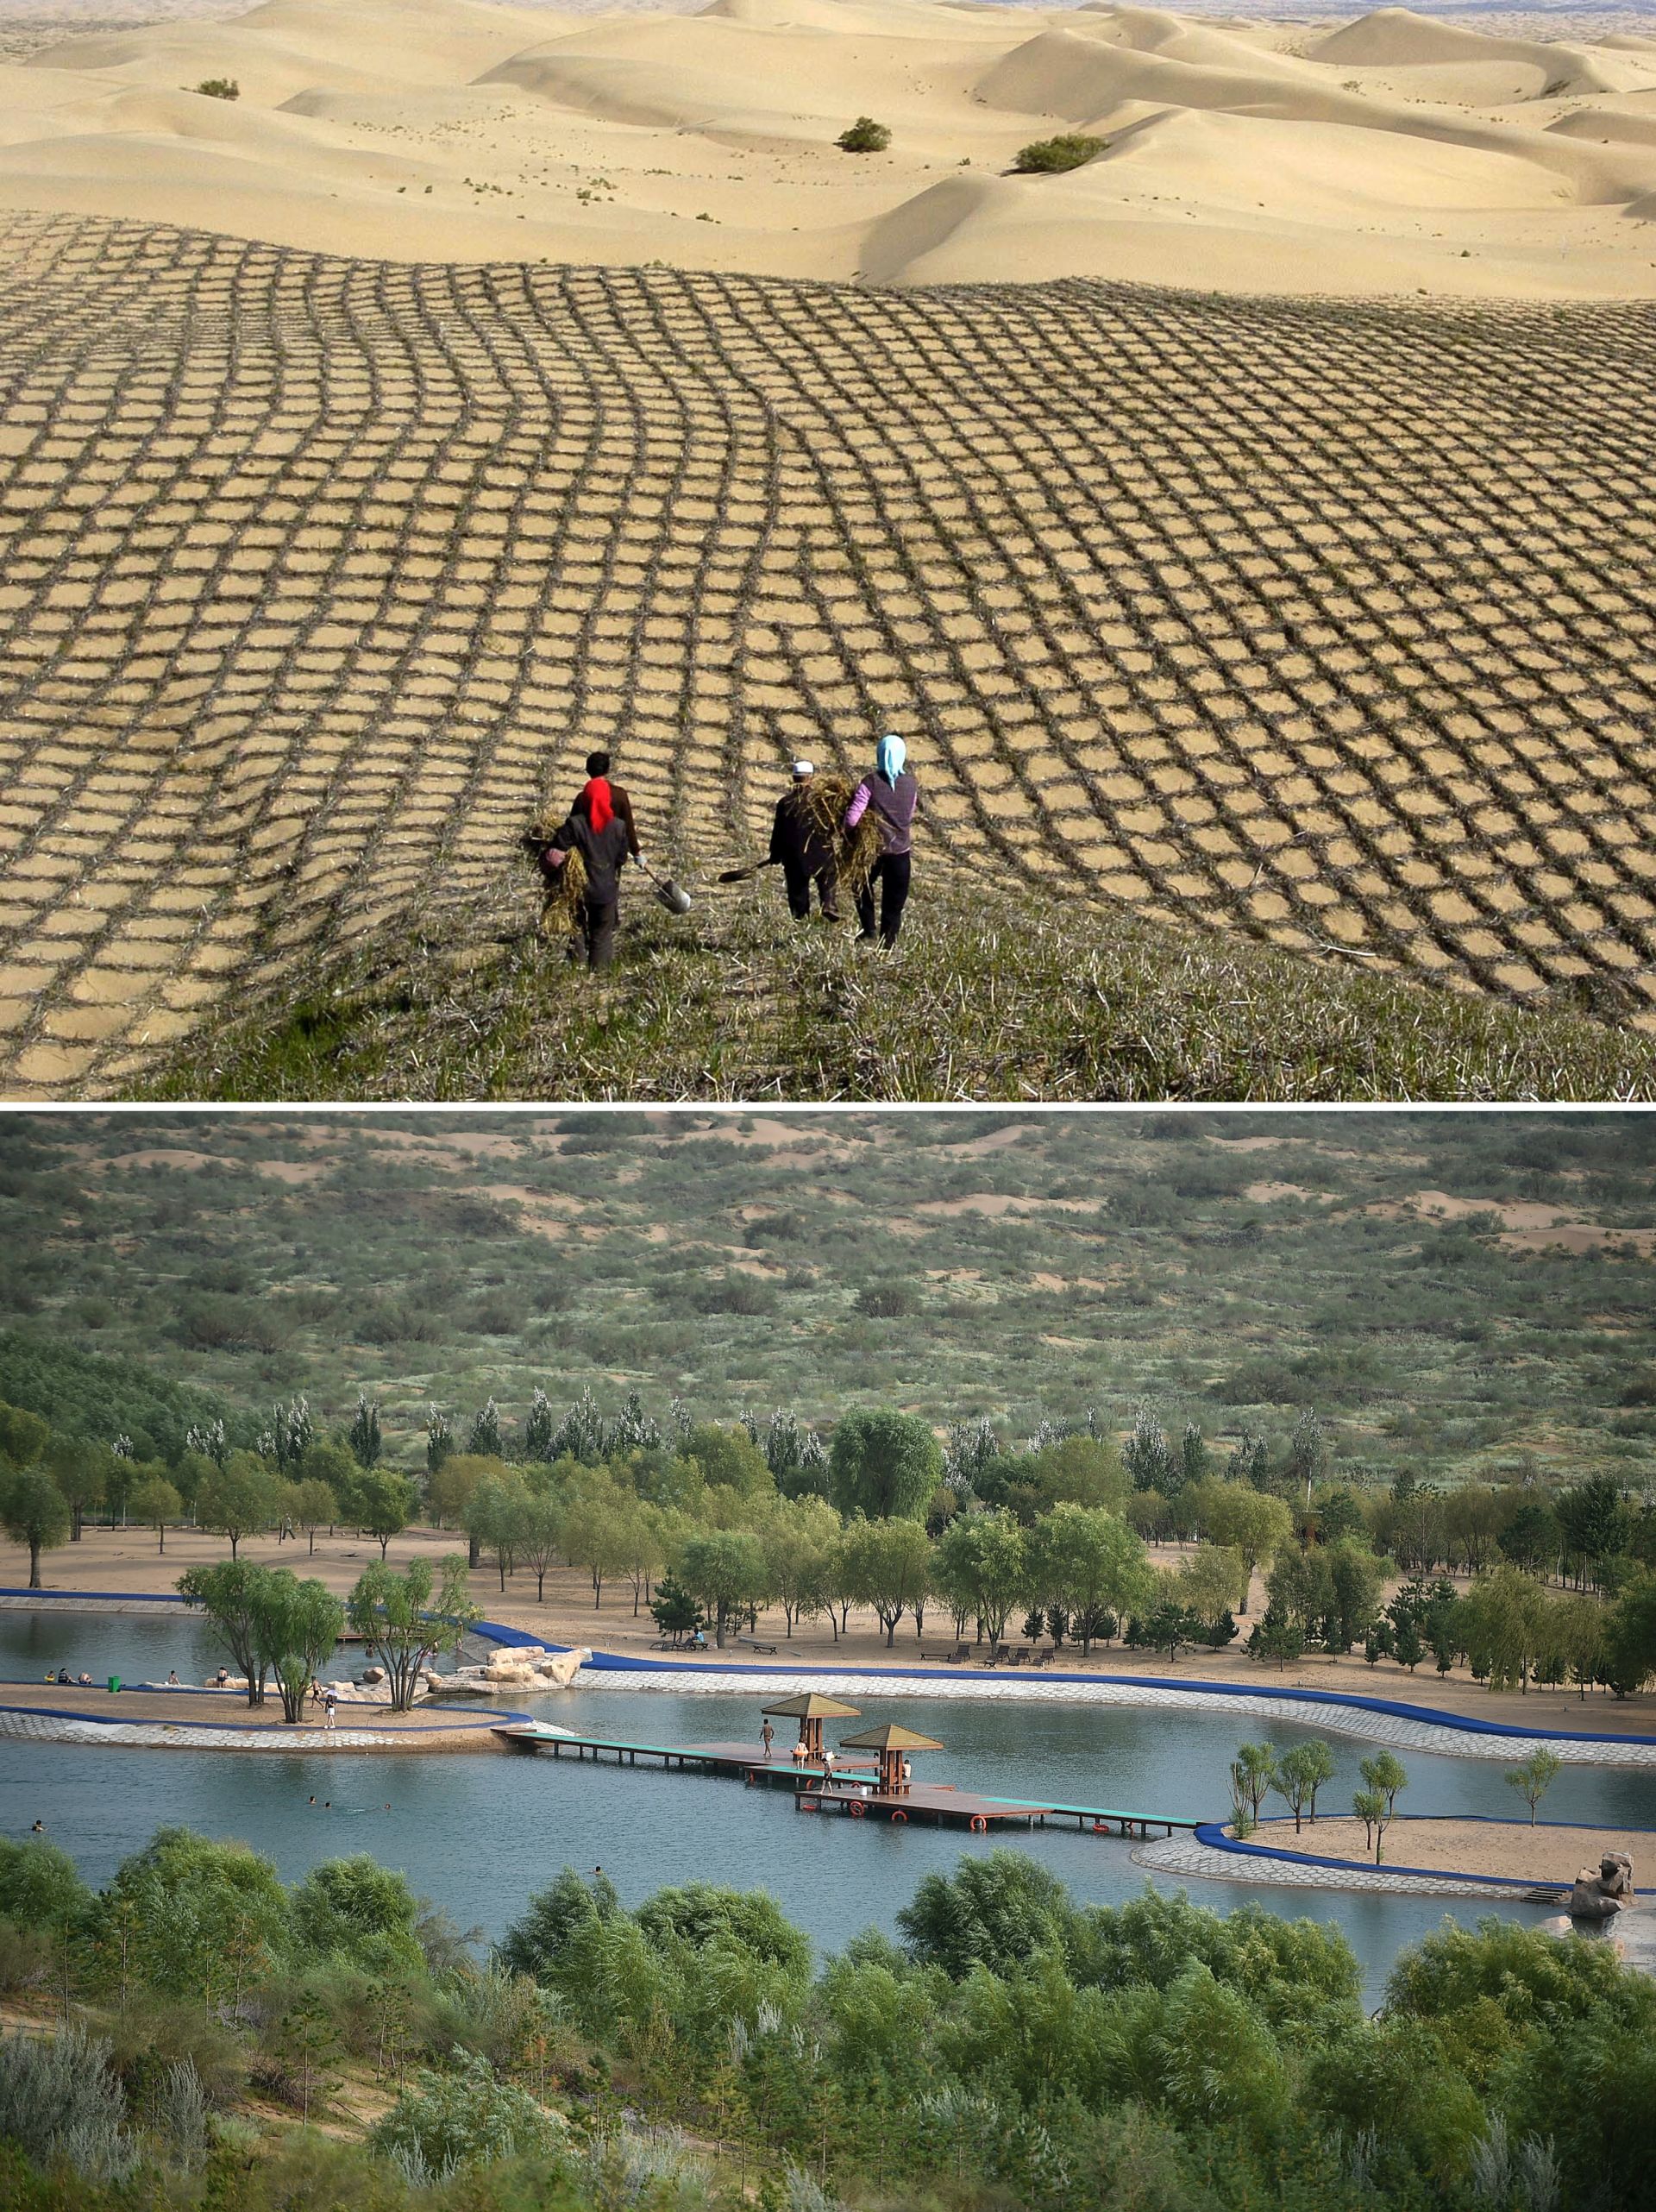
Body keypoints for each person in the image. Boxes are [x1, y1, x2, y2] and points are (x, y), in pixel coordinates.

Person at [542, 751, 643, 971]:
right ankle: (600, 971)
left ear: (588, 771)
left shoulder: (578, 814)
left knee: (576, 921)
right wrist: (634, 854)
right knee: (603, 929)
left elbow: (558, 848)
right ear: (608, 770)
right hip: (606, 877)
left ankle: (577, 963)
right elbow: (625, 843)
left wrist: (550, 869)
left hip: (580, 880)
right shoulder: (618, 822)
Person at [845, 733, 920, 947]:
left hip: (873, 852)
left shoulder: (871, 782)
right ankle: (887, 946)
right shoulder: (911, 784)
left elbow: (852, 818)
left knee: (860, 885)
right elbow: (909, 814)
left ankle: (869, 930)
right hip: (900, 853)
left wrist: (847, 832)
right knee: (894, 904)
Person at [768, 761, 840, 921]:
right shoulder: (821, 800)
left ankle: (800, 916)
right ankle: (829, 904)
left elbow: (778, 831)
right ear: (811, 778)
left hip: (794, 855)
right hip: (821, 852)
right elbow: (833, 825)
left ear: (794, 778)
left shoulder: (785, 802)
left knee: (797, 888)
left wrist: (775, 853)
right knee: (828, 874)